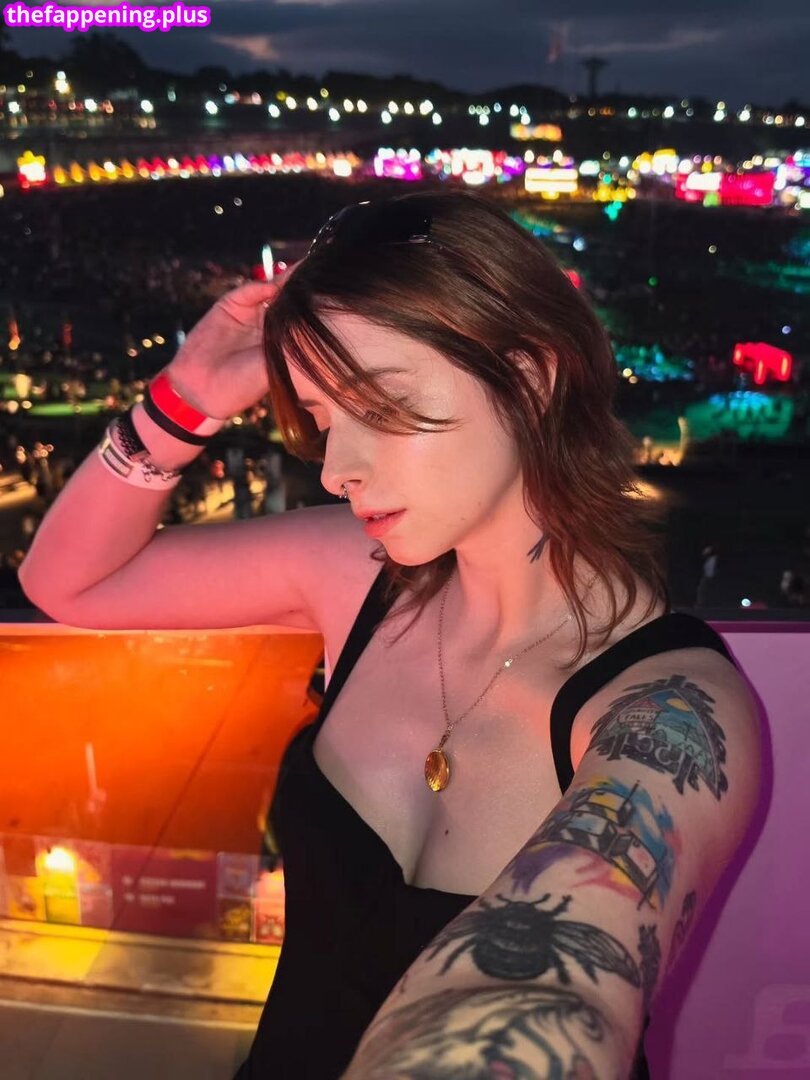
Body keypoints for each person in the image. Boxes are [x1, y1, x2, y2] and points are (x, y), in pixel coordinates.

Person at [18, 191, 761, 1080]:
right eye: (324, 420)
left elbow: (557, 975)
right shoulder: (360, 575)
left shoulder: (672, 710)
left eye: (378, 406)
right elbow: (67, 582)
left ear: (530, 377)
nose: (337, 468)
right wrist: (186, 401)